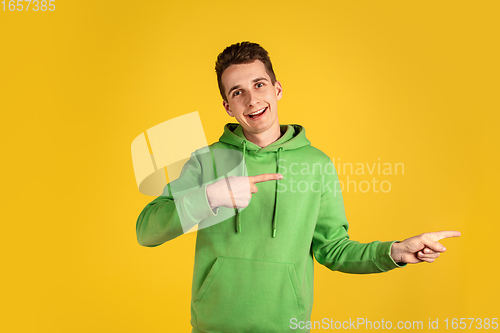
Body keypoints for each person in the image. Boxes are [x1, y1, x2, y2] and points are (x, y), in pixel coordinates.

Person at [136, 41, 461, 333]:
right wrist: (209, 196)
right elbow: (147, 230)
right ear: (227, 107)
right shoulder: (207, 160)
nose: (252, 100)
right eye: (237, 92)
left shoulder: (317, 164)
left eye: (259, 84)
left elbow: (333, 249)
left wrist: (394, 252)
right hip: (213, 328)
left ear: (277, 89)